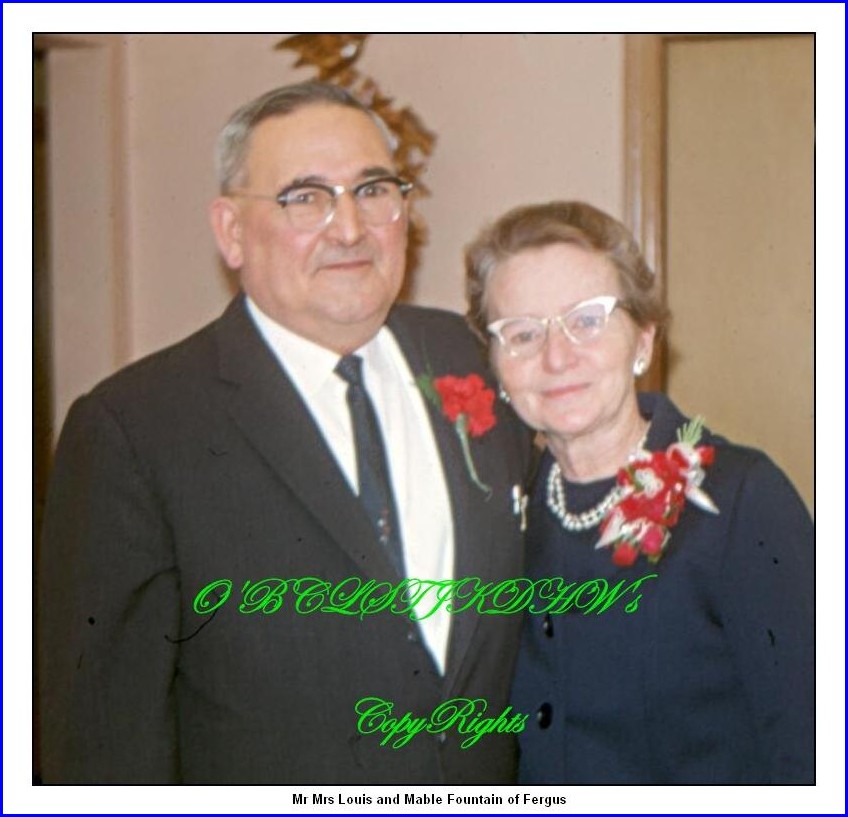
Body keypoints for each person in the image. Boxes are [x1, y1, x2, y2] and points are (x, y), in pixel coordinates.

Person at [38, 82, 531, 784]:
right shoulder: (134, 430)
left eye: (372, 190)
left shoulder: (477, 358)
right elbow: (101, 746)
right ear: (231, 232)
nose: (350, 228)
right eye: (306, 197)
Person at [464, 200, 814, 784]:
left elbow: (812, 750)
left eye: (587, 321)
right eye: (522, 333)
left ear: (644, 341)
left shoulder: (742, 501)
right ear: (496, 365)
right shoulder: (499, 510)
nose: (557, 357)